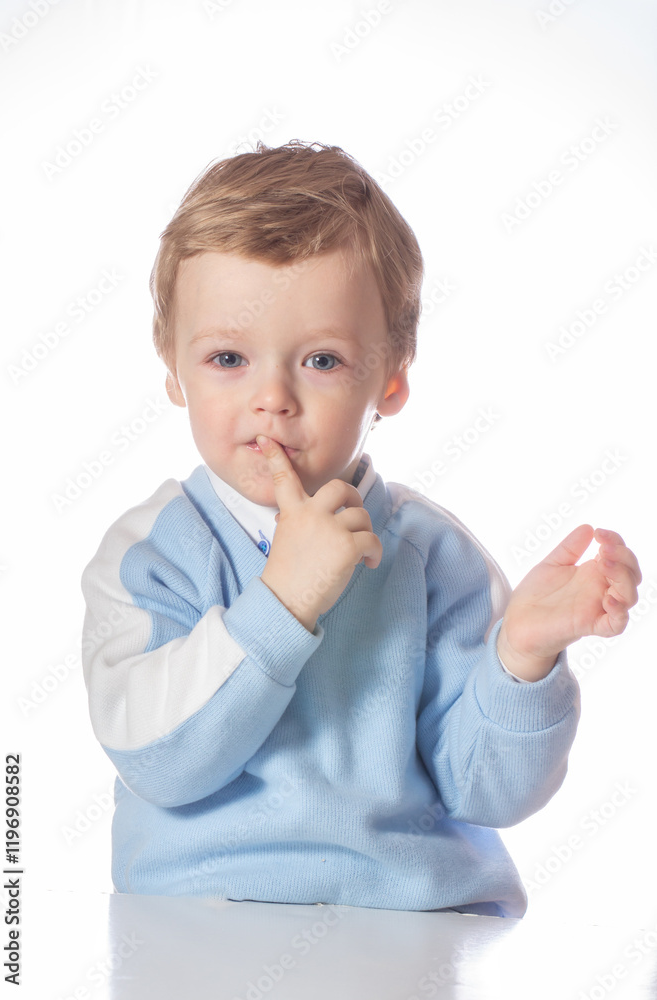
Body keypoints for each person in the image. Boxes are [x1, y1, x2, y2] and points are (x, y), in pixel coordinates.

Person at [80, 140, 641, 917]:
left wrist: (520, 660)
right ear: (172, 368)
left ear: (392, 375)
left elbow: (488, 791)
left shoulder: (429, 556)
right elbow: (157, 758)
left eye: (320, 361)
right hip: (199, 925)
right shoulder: (151, 557)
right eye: (228, 357)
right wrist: (282, 602)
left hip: (414, 922)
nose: (271, 397)